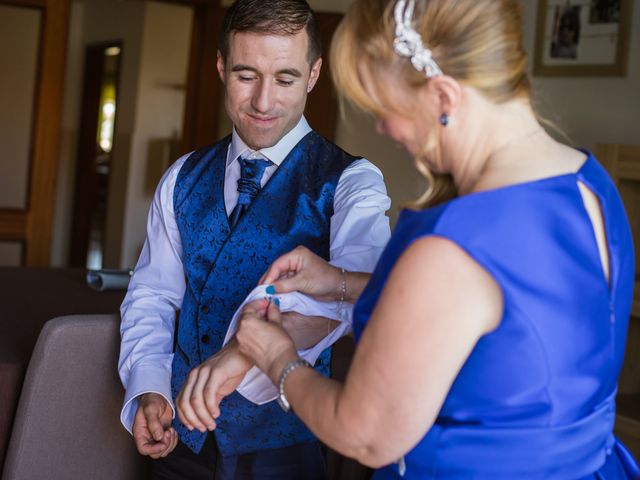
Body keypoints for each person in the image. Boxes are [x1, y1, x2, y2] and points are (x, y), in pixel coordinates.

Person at [234, 0, 640, 478]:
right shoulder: (588, 184)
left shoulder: (453, 246)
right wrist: (338, 281)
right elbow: (501, 316)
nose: (384, 127)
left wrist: (276, 356)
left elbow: (363, 432)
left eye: (385, 109)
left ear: (444, 97)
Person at [117, 0, 391, 478]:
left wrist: (242, 354)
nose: (264, 102)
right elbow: (152, 296)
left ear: (313, 74)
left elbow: (351, 301)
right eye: (246, 76)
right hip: (179, 443)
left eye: (285, 79)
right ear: (222, 67)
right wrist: (149, 387)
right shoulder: (182, 176)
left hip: (283, 447)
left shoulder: (352, 182)